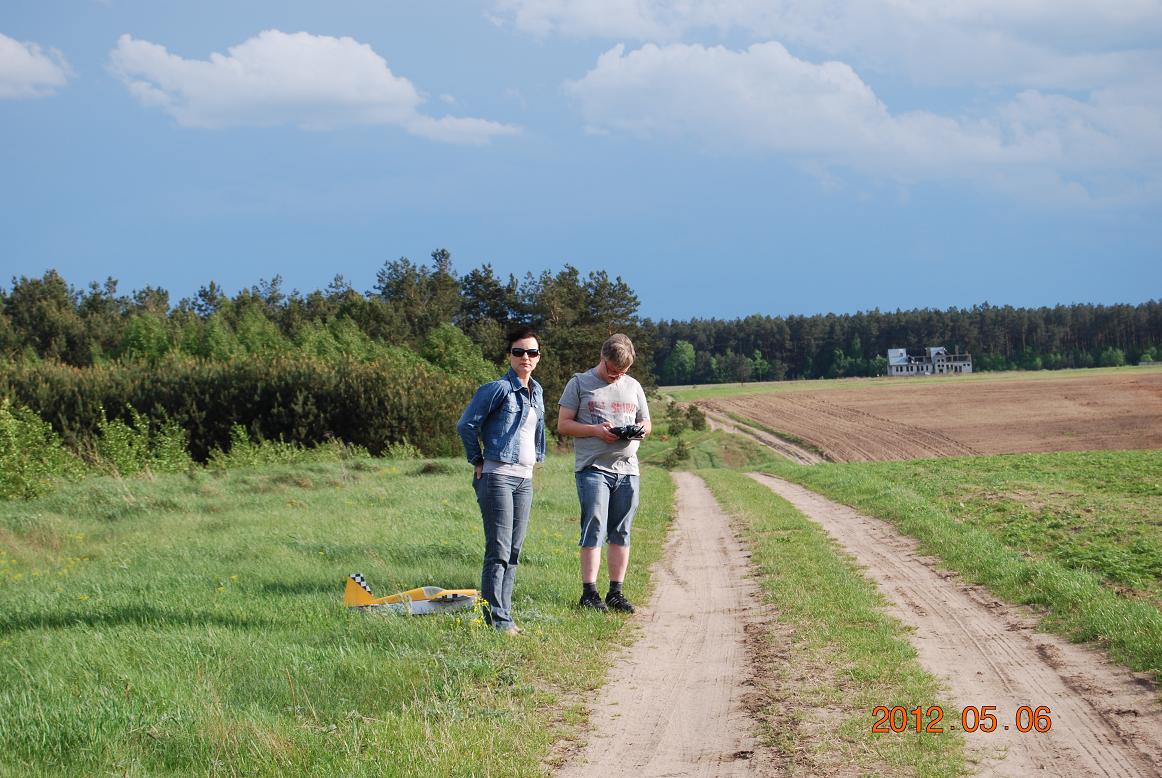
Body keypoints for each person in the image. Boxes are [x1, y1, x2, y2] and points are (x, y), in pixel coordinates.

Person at [456, 327, 545, 634]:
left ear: (538, 357)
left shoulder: (537, 392)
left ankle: (504, 615)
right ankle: (497, 621)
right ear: (509, 355)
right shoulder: (497, 389)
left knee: (514, 552)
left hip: (524, 479)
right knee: (499, 550)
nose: (525, 357)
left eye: (531, 352)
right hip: (498, 477)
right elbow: (466, 425)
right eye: (519, 352)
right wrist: (478, 460)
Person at [557, 333, 651, 613]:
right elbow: (563, 424)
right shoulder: (579, 383)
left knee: (622, 531)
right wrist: (596, 431)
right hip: (593, 468)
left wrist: (639, 430)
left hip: (628, 470)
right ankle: (589, 593)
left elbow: (646, 422)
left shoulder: (633, 386)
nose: (617, 375)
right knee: (594, 527)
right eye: (612, 370)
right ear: (602, 357)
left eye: (623, 371)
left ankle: (615, 593)